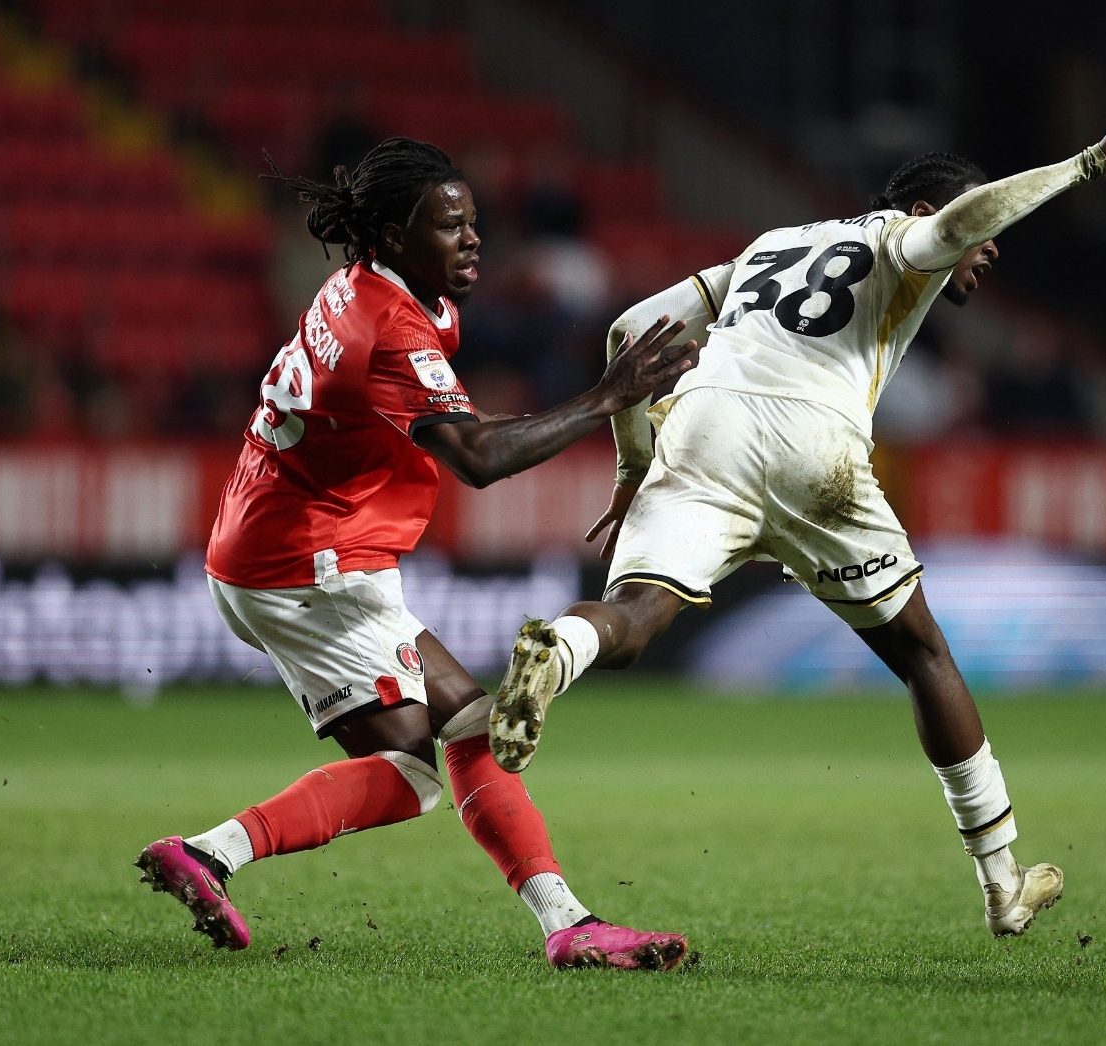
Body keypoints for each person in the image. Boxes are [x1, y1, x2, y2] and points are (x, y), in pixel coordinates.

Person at [488, 116, 1106, 937]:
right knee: (922, 654)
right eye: (982, 229)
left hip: (700, 428)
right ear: (923, 209)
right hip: (811, 443)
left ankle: (558, 651)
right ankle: (1002, 882)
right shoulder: (901, 239)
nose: (990, 245)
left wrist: (634, 465)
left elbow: (628, 328)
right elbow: (959, 224)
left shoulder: (770, 245)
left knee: (633, 618)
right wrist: (1086, 165)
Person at [135, 137, 698, 971]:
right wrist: (605, 397)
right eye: (448, 226)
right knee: (414, 771)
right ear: (396, 235)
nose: (472, 239)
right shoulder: (394, 325)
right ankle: (211, 852)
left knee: (463, 728)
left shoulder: (369, 286)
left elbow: (450, 428)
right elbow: (476, 459)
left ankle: (566, 922)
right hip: (314, 564)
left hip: (279, 549)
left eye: (472, 222)